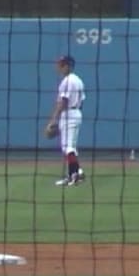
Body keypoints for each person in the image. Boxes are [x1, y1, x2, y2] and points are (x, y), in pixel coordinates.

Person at [46, 55, 87, 186]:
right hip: (76, 112)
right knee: (69, 147)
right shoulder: (78, 80)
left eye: (62, 64)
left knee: (68, 147)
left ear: (69, 66)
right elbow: (82, 102)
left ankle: (73, 176)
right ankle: (77, 173)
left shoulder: (68, 81)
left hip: (69, 113)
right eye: (60, 64)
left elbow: (63, 102)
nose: (60, 67)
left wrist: (53, 120)